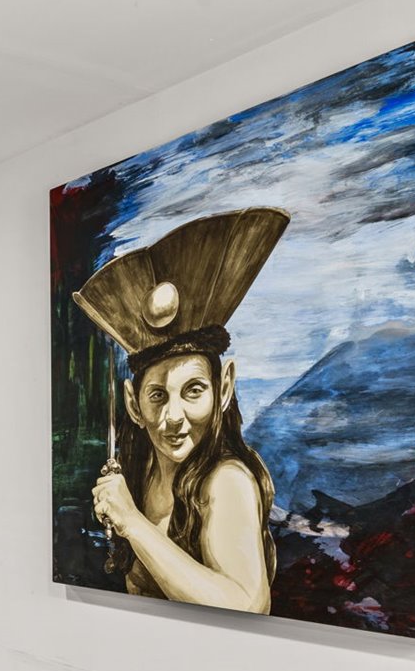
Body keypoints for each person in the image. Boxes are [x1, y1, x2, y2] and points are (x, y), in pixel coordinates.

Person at [75, 208, 289, 614]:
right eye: (158, 395)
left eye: (193, 390)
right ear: (133, 404)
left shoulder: (226, 480)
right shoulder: (140, 472)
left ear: (223, 388)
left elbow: (248, 603)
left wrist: (130, 521)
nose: (173, 416)